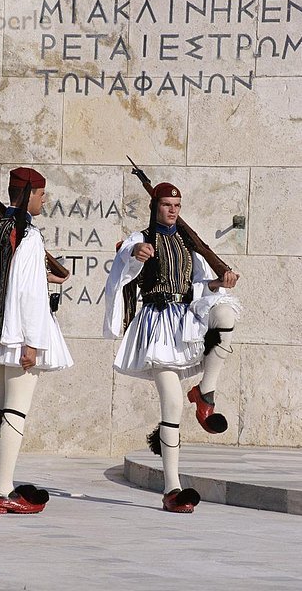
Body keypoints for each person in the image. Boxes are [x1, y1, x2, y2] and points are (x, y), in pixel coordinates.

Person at [103, 182, 240, 513]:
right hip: (157, 327)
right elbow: (123, 259)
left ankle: (205, 394)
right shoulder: (142, 239)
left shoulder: (185, 241)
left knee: (225, 313)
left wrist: (216, 283)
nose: (173, 210)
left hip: (186, 322)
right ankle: (172, 488)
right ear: (155, 206)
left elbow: (193, 286)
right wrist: (135, 255)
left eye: (177, 205)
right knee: (172, 405)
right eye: (166, 204)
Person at [0, 167, 73, 514]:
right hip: (20, 333)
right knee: (14, 413)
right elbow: (29, 294)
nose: (44, 199)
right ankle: (4, 490)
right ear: (29, 194)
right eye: (40, 193)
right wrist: (32, 342)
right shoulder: (29, 236)